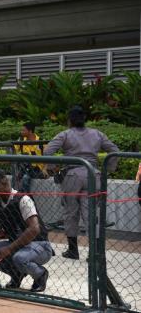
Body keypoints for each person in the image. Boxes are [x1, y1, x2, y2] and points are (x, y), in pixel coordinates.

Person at [44, 106, 118, 259]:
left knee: (70, 213)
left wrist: (52, 168)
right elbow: (114, 150)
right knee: (91, 214)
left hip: (72, 175)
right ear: (84, 119)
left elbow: (48, 151)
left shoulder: (65, 134)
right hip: (93, 175)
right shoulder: (97, 134)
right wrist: (108, 169)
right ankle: (95, 252)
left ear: (69, 120)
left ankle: (73, 250)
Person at [0, 168, 53, 292]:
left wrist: (10, 248)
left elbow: (34, 229)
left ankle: (40, 275)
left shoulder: (23, 199)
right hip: (17, 245)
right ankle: (16, 274)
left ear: (4, 183)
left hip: (40, 245)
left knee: (19, 258)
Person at [13, 123, 47, 193]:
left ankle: (26, 196)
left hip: (38, 169)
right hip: (25, 167)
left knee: (25, 178)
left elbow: (48, 156)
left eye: (23, 130)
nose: (21, 132)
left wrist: (45, 169)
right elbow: (13, 150)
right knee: (15, 177)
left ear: (30, 131)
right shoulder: (21, 140)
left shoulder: (41, 141)